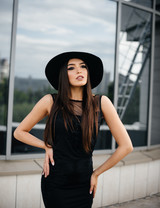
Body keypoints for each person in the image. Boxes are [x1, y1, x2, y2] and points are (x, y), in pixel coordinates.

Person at [14, 51, 133, 208]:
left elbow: (126, 146)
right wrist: (46, 145)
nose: (79, 71)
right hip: (55, 182)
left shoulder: (101, 103)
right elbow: (19, 132)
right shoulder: (50, 101)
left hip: (84, 183)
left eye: (83, 66)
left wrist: (96, 173)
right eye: (71, 68)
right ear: (64, 75)